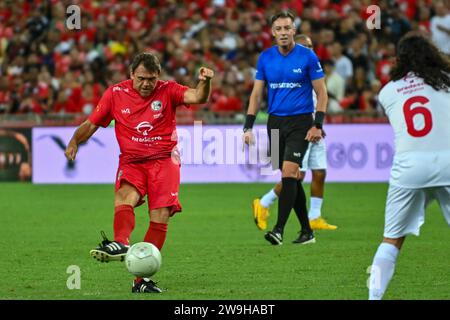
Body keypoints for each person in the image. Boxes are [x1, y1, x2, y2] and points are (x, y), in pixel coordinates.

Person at [64, 52, 214, 293]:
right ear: (131, 74)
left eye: (152, 79)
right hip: (132, 161)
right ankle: (121, 243)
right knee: (124, 196)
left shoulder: (168, 90)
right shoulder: (115, 93)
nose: (146, 84)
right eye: (142, 78)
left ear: (158, 77)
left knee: (160, 216)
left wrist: (205, 82)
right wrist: (74, 141)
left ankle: (141, 281)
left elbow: (197, 97)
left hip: (164, 161)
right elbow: (92, 123)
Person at [368, 32, 450, 300]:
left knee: (391, 240)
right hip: (449, 161)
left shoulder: (388, 91)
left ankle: (373, 298)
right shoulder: (447, 81)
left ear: (399, 59)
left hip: (410, 166)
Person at [243, 12, 328, 246]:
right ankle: (306, 231)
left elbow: (322, 93)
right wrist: (247, 127)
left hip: (301, 122)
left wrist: (317, 124)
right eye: (278, 28)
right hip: (275, 122)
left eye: (287, 28)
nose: (282, 32)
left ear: (293, 30)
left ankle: (278, 229)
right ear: (272, 32)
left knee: (290, 172)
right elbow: (257, 94)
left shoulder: (308, 57)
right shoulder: (265, 58)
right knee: (290, 178)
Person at [252, 34, 337, 232]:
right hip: (301, 128)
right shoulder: (293, 71)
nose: (309, 49)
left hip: (315, 127)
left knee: (320, 172)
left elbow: (321, 97)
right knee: (295, 175)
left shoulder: (312, 68)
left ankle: (314, 216)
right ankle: (264, 203)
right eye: (305, 46)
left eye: (311, 45)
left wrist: (318, 123)